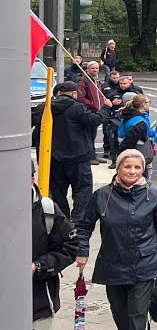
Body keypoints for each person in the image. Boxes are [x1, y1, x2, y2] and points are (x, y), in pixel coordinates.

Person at [75, 150, 157, 330]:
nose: (132, 171)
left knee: (137, 312)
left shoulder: (153, 195)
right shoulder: (102, 196)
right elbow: (85, 225)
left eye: (137, 168)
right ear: (118, 168)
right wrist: (82, 251)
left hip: (145, 262)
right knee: (118, 310)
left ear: (143, 170)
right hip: (113, 263)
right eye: (128, 167)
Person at [32, 169, 75, 330]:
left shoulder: (47, 210)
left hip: (37, 303)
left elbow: (69, 247)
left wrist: (39, 266)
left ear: (32, 178)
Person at [46, 81, 107, 223]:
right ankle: (78, 221)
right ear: (74, 93)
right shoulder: (77, 108)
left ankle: (63, 221)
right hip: (79, 158)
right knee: (82, 191)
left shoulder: (47, 108)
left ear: (57, 94)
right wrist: (105, 109)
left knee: (58, 192)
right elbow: (94, 120)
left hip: (55, 159)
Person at [115, 94, 153, 172]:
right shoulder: (139, 122)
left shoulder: (129, 116)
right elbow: (130, 140)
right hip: (137, 155)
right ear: (143, 105)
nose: (149, 104)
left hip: (127, 153)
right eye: (148, 102)